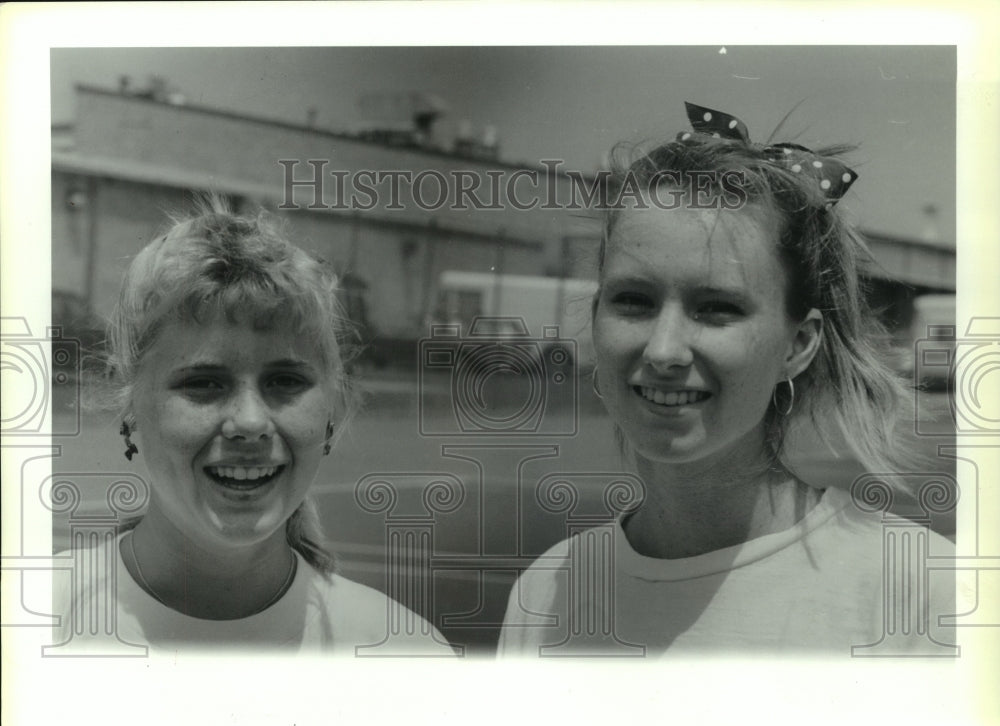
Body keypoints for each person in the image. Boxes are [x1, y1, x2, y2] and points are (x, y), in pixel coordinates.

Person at [498, 103, 955, 657]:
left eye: (716, 308)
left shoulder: (924, 594)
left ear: (799, 345)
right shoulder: (547, 591)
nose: (663, 350)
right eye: (633, 301)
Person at [52, 199, 454, 654]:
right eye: (204, 383)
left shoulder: (404, 654)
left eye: (286, 381)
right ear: (128, 404)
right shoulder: (32, 624)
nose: (250, 422)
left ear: (331, 410)